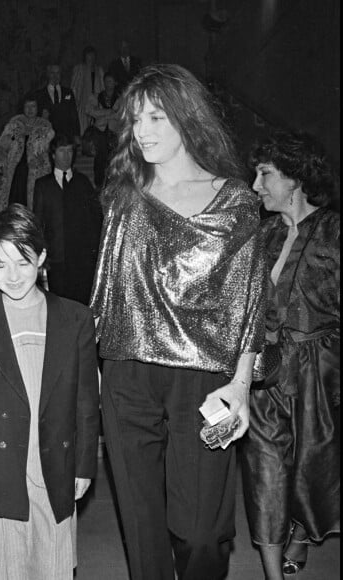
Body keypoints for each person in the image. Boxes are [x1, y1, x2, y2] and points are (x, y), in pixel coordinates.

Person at [89, 64, 266, 580]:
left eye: (156, 117)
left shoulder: (236, 200)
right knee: (142, 530)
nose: (142, 130)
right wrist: (97, 368)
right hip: (127, 372)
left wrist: (240, 385)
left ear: (186, 119)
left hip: (204, 378)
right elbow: (106, 289)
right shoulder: (125, 196)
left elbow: (252, 300)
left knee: (202, 532)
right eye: (135, 119)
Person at [0, 204, 100, 580]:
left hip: (55, 461)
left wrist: (85, 464)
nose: (13, 275)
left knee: (54, 563)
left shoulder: (75, 318)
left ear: (41, 258)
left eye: (23, 262)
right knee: (8, 567)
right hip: (2, 467)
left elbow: (87, 401)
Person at [241, 130, 340, 580]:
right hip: (263, 374)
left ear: (295, 179)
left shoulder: (334, 231)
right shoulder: (260, 235)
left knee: (311, 470)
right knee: (265, 474)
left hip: (318, 375)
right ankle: (272, 575)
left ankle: (301, 532)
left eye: (265, 175)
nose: (256, 185)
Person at [33, 133, 103, 305]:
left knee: (82, 306)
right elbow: (37, 224)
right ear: (53, 154)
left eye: (70, 151)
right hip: (56, 260)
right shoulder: (42, 185)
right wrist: (41, 256)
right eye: (62, 151)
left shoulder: (83, 182)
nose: (67, 155)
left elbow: (96, 222)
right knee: (59, 307)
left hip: (82, 260)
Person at [0, 93, 54, 211]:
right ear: (23, 107)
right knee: (14, 206)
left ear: (38, 108)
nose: (30, 110)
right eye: (27, 106)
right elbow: (0, 145)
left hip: (37, 173)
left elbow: (50, 150)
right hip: (16, 173)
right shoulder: (14, 125)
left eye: (33, 106)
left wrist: (42, 161)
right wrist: (1, 164)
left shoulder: (45, 127)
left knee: (36, 206)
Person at [85, 71, 121, 189]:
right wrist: (110, 112)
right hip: (99, 131)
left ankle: (113, 186)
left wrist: (102, 114)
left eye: (110, 81)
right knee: (100, 159)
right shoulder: (97, 96)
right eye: (105, 81)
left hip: (115, 132)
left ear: (115, 83)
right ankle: (99, 185)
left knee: (114, 159)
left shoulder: (121, 97)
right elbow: (90, 111)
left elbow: (121, 114)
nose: (107, 84)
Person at [35, 63, 81, 145]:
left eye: (58, 73)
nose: (55, 76)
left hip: (67, 137)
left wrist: (76, 134)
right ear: (48, 74)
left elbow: (74, 115)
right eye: (52, 73)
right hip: (48, 137)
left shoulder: (68, 92)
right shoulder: (39, 94)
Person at [70, 46, 105, 136]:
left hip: (97, 104)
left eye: (92, 56)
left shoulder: (99, 70)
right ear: (85, 57)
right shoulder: (79, 69)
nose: (91, 58)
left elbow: (102, 87)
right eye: (89, 56)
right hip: (83, 103)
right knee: (83, 130)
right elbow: (74, 87)